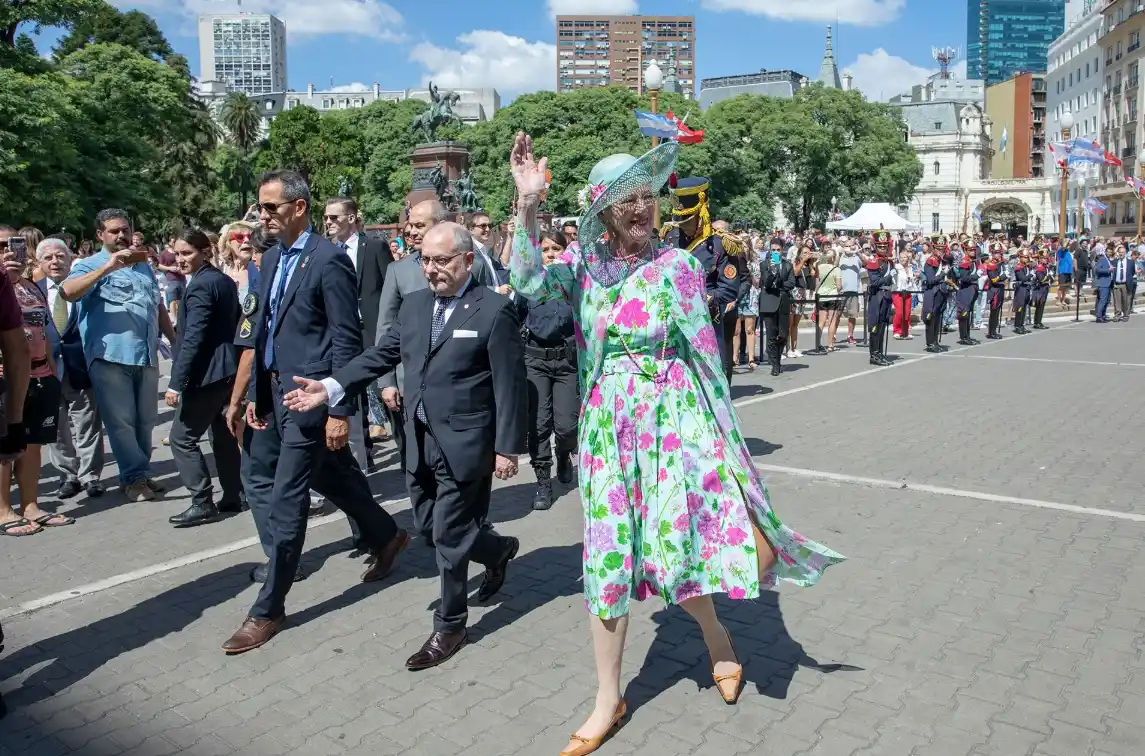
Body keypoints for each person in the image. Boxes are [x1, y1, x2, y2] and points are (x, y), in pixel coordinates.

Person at [503, 132, 844, 755]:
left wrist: (725, 451)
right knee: (607, 559)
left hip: (672, 428)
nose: (642, 208)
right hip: (606, 435)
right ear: (602, 210)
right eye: (627, 199)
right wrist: (527, 204)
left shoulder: (678, 269)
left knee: (675, 551)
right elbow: (525, 281)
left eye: (647, 196)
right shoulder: (581, 267)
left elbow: (708, 362)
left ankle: (718, 639)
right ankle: (608, 698)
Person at [284, 222, 527, 671]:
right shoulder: (415, 306)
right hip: (417, 440)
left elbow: (510, 384)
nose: (431, 269)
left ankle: (450, 625)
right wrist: (331, 387)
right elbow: (380, 355)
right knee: (431, 528)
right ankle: (496, 551)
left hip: (466, 443)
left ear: (467, 260)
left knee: (449, 536)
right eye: (425, 260)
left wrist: (507, 448)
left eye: (441, 260)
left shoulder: (493, 310)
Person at [222, 170, 409, 655]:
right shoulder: (269, 257)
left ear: (299, 207)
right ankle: (387, 536)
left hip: (312, 397)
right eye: (260, 207)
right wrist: (252, 394)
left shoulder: (328, 260)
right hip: (275, 395)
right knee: (332, 476)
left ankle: (268, 608)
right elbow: (263, 331)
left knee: (288, 500)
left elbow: (346, 339)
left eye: (271, 207)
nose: (262, 216)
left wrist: (339, 409)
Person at [62, 209, 177, 502]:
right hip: (109, 356)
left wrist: (175, 342)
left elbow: (157, 306)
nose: (121, 235)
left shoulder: (143, 265)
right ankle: (133, 478)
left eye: (125, 230)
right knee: (121, 422)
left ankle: (140, 474)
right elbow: (68, 292)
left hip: (145, 353)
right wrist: (107, 268)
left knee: (146, 420)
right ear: (100, 234)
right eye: (114, 231)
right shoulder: (89, 265)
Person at [164, 229, 243, 527]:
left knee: (181, 438)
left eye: (187, 253)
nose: (180, 259)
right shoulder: (220, 280)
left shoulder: (202, 285)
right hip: (226, 369)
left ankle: (202, 501)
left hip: (208, 373)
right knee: (222, 435)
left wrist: (176, 382)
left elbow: (193, 338)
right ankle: (234, 494)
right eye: (177, 253)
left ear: (205, 252)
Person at [0, 227, 70, 535]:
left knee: (32, 444)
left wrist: (51, 372)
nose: (8, 251)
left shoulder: (31, 286)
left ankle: (30, 505)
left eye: (13, 244)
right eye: (1, 245)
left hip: (40, 375)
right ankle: (3, 510)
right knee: (3, 446)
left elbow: (44, 332)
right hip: (6, 378)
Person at [660, 177, 745, 383]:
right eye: (680, 220)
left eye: (688, 220)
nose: (683, 226)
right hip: (670, 327)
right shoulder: (669, 237)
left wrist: (695, 299)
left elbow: (729, 290)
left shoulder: (721, 244)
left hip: (705, 324)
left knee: (710, 384)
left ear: (702, 213)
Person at [38, 239, 104, 500]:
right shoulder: (32, 290)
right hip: (46, 367)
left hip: (79, 365)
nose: (55, 262)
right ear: (39, 263)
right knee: (56, 425)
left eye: (60, 256)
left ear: (69, 259)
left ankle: (90, 476)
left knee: (87, 423)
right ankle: (68, 475)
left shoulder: (83, 286)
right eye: (48, 258)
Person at [520, 230, 579, 511]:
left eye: (557, 248)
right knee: (539, 424)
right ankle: (543, 480)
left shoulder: (575, 280)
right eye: (545, 250)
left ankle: (564, 454)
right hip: (536, 361)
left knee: (567, 426)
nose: (551, 254)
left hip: (566, 361)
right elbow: (514, 315)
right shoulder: (529, 281)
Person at [758, 237, 798, 376]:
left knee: (783, 334)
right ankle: (775, 364)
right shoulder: (764, 264)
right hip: (769, 302)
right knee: (771, 335)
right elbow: (766, 283)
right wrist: (773, 271)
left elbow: (791, 283)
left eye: (778, 250)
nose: (775, 252)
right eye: (773, 250)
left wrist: (779, 284)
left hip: (783, 302)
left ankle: (778, 359)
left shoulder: (787, 265)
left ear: (782, 250)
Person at [865, 229, 895, 366]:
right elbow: (875, 281)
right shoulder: (874, 261)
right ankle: (874, 354)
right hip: (877, 296)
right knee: (875, 325)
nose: (883, 248)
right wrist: (889, 277)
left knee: (883, 324)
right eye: (880, 246)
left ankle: (880, 352)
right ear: (875, 247)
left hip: (886, 296)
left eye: (885, 246)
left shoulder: (888, 262)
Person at [954, 244, 980, 346]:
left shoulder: (973, 261)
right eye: (970, 250)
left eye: (974, 250)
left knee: (968, 313)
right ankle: (964, 337)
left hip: (972, 289)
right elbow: (964, 278)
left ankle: (967, 335)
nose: (973, 252)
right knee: (964, 313)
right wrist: (976, 276)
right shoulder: (965, 262)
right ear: (965, 251)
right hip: (965, 289)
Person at [985, 243, 1008, 339]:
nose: (998, 255)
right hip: (994, 290)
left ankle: (993, 331)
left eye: (999, 253)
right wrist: (1003, 276)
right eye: (996, 253)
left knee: (997, 311)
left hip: (1000, 288)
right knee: (994, 312)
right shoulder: (991, 264)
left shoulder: (1001, 263)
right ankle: (991, 332)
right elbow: (994, 279)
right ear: (992, 253)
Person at [1011, 251, 1033, 335]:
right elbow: (1022, 278)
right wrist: (1031, 275)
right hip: (1020, 288)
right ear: (1020, 258)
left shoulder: (1026, 267)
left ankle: (1021, 325)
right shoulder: (1018, 267)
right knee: (1020, 308)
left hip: (1026, 288)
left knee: (1024, 308)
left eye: (1027, 257)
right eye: (1024, 257)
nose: (1026, 259)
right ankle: (1017, 326)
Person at [1111, 245, 1134, 321]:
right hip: (1116, 284)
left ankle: (1126, 315)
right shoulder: (1114, 262)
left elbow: (1132, 272)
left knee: (1126, 301)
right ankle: (1117, 315)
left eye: (1123, 252)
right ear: (1118, 253)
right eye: (1120, 252)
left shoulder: (1130, 262)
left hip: (1125, 284)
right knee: (1117, 301)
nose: (1121, 254)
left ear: (1125, 253)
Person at [1031, 251, 1052, 329]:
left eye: (1046, 258)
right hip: (1040, 289)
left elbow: (1050, 279)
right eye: (1044, 258)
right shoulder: (1040, 267)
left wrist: (1050, 277)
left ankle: (1038, 322)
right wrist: (1049, 276)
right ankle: (1037, 323)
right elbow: (1041, 279)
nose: (1046, 260)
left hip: (1044, 288)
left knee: (1041, 306)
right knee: (1040, 306)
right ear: (1040, 259)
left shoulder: (1045, 267)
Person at [1093, 244, 1113, 322]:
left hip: (1108, 283)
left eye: (1111, 252)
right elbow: (1097, 270)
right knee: (1102, 300)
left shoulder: (1108, 260)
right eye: (1108, 252)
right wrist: (1108, 270)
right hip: (1103, 283)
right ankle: (1099, 316)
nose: (1109, 253)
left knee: (1106, 301)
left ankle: (1103, 315)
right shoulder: (1102, 259)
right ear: (1105, 252)